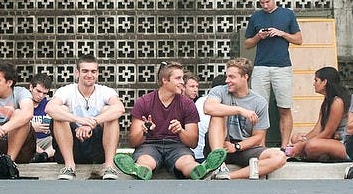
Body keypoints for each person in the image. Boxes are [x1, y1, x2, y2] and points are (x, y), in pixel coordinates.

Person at [115, 61, 224, 180]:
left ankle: (200, 169)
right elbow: (134, 142)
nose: (182, 82)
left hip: (177, 145)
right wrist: (144, 131)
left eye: (182, 78)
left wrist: (180, 131)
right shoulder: (144, 102)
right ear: (164, 80)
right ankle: (139, 170)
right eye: (178, 78)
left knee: (187, 161)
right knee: (145, 161)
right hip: (149, 145)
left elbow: (193, 143)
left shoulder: (187, 104)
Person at [202, 57, 287, 180]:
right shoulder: (219, 91)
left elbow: (258, 136)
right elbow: (208, 108)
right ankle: (218, 163)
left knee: (279, 157)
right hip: (218, 144)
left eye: (232, 77)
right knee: (217, 114)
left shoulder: (259, 102)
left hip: (243, 148)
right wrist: (240, 110)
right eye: (227, 76)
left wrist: (237, 147)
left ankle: (228, 175)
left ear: (245, 77)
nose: (227, 80)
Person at [45, 53, 125, 181]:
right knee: (61, 111)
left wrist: (93, 122)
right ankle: (69, 166)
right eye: (85, 71)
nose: (89, 75)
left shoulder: (105, 91)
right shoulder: (66, 91)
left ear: (97, 73)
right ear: (77, 73)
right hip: (71, 146)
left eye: (93, 71)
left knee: (109, 111)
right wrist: (79, 120)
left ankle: (109, 166)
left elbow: (120, 108)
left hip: (96, 148)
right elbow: (50, 108)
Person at [244, 0, 302, 147]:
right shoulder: (256, 17)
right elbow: (247, 43)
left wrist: (282, 33)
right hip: (261, 66)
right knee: (258, 109)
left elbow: (299, 39)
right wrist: (258, 37)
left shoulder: (287, 14)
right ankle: (260, 147)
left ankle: (284, 147)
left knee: (284, 107)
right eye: (262, 3)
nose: (265, 5)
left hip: (282, 67)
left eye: (268, 2)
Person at [288, 66, 351, 162]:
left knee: (311, 146)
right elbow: (318, 129)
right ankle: (320, 154)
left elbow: (327, 133)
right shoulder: (327, 101)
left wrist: (303, 144)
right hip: (331, 140)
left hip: (345, 144)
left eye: (316, 80)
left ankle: (319, 153)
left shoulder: (337, 102)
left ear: (324, 82)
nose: (314, 84)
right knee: (295, 138)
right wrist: (303, 139)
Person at [189, 74, 225, 163]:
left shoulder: (200, 101)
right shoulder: (220, 104)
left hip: (194, 154)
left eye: (196, 86)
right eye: (192, 86)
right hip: (206, 155)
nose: (195, 90)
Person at [29, 73, 54, 162]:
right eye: (38, 91)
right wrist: (32, 128)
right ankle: (44, 155)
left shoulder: (48, 105)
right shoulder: (23, 103)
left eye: (44, 93)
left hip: (46, 141)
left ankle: (43, 156)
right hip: (29, 141)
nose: (41, 96)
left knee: (60, 139)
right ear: (31, 87)